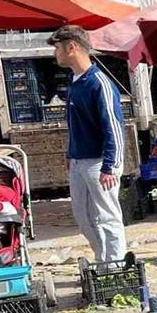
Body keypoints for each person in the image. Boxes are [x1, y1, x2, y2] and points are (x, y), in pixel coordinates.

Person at [49, 25, 128, 263]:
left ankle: (116, 266)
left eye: (58, 49)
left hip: (99, 162)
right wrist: (69, 153)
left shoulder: (98, 83)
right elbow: (76, 123)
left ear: (71, 47)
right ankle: (102, 260)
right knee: (83, 217)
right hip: (78, 160)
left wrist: (110, 165)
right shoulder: (74, 81)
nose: (56, 55)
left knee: (107, 216)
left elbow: (113, 126)